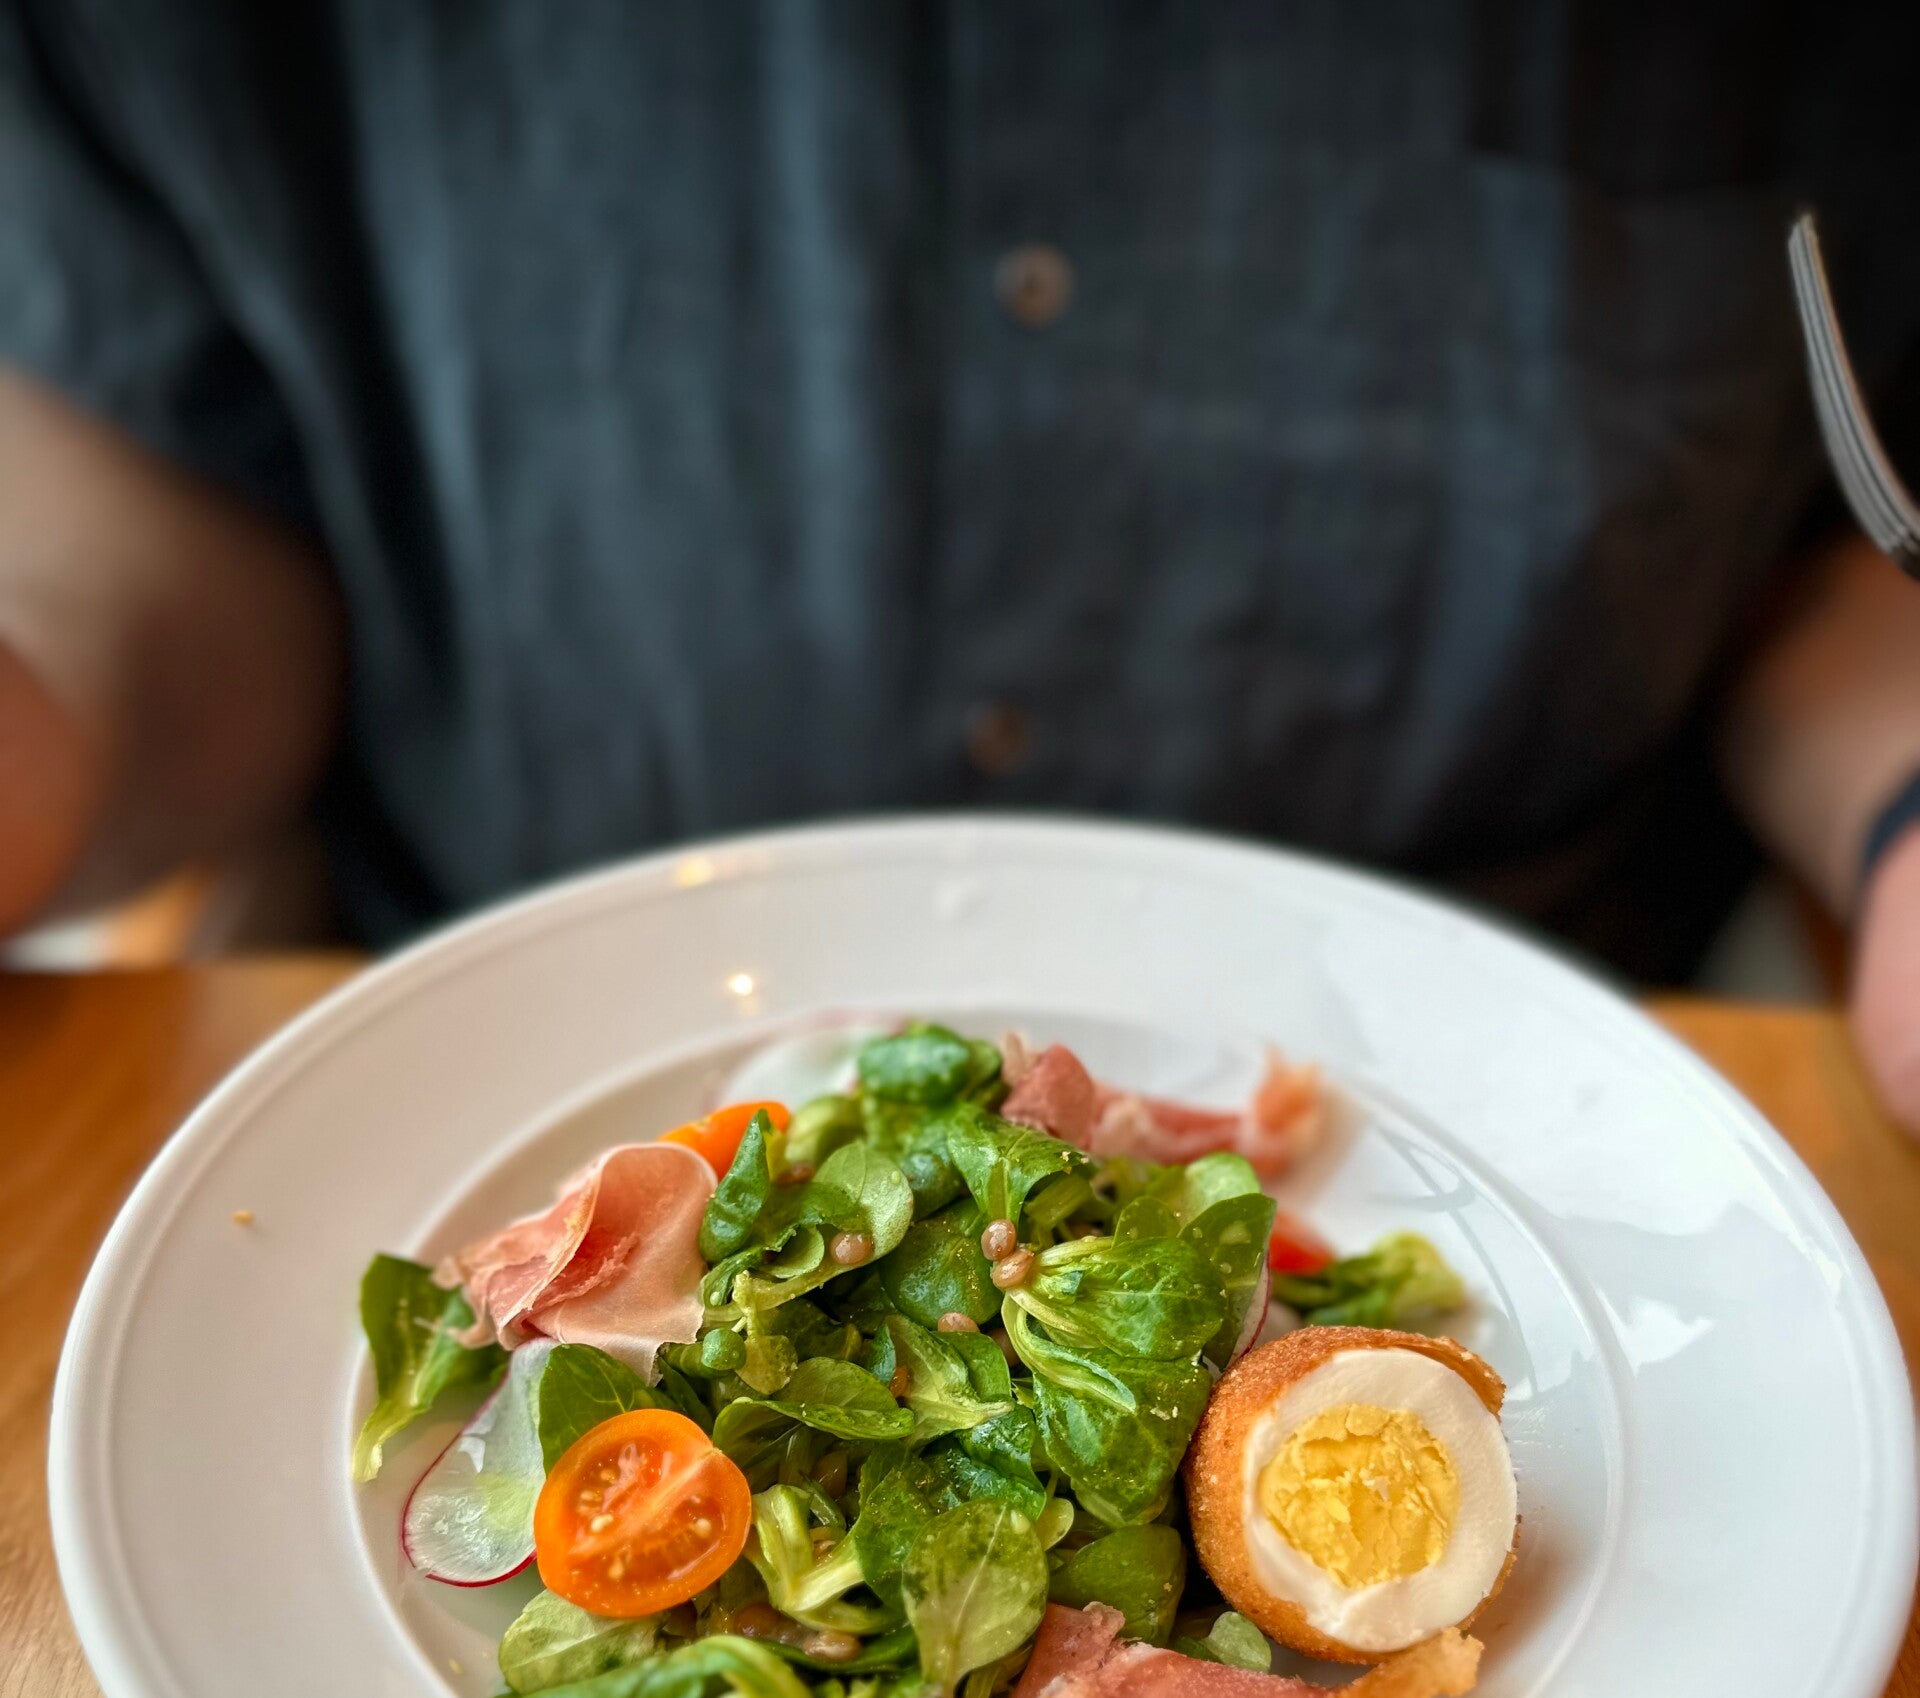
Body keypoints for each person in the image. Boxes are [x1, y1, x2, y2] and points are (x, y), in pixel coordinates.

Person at [5, 5, 1920, 1125]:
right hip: (465, 1067)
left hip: (1533, 1103)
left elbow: (1823, 545)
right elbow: (167, 513)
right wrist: (40, 726)